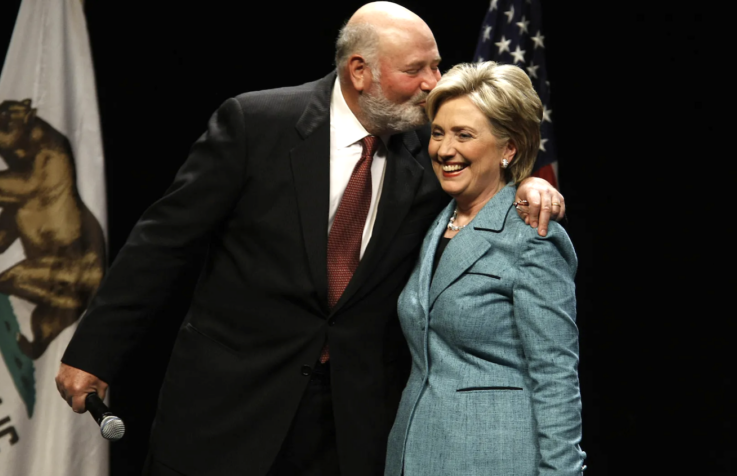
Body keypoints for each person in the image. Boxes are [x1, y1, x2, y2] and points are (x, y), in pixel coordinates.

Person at [55, 4, 566, 476]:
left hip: (346, 427)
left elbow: (481, 177)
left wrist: (529, 182)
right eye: (417, 70)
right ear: (360, 71)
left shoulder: (429, 152)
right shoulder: (258, 125)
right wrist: (95, 353)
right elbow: (161, 244)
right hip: (227, 409)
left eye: (436, 67)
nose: (434, 85)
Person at [384, 61, 585, 476]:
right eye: (438, 132)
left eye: (464, 135)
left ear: (508, 149)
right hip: (413, 452)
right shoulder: (431, 220)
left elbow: (557, 379)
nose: (444, 149)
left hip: (495, 458)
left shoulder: (531, 237)